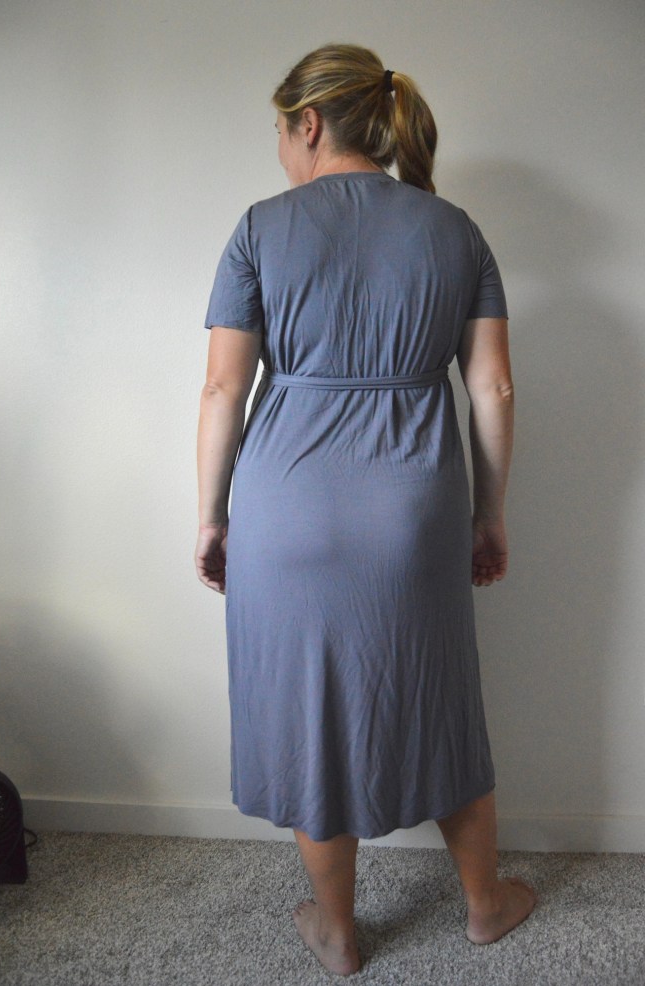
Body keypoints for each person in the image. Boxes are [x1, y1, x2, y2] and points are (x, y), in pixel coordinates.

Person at [195, 43, 536, 977]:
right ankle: (484, 906)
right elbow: (494, 389)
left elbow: (222, 390)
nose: (279, 146)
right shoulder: (455, 231)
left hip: (286, 506)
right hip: (414, 505)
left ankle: (339, 932)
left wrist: (212, 517)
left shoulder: (259, 228)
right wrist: (490, 514)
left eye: (280, 129)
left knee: (308, 713)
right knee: (440, 700)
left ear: (308, 124)